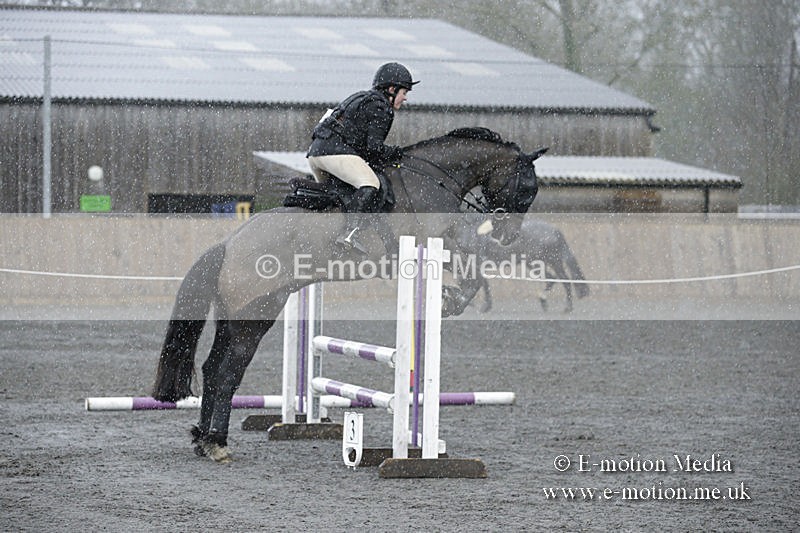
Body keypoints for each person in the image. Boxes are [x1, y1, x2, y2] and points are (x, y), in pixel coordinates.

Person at [306, 62, 418, 254]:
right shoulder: (382, 107)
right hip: (335, 152)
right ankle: (349, 234)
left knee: (342, 198)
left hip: (316, 155)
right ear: (392, 89)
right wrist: (396, 153)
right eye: (404, 92)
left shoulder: (361, 97)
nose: (405, 98)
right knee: (371, 184)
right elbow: (373, 149)